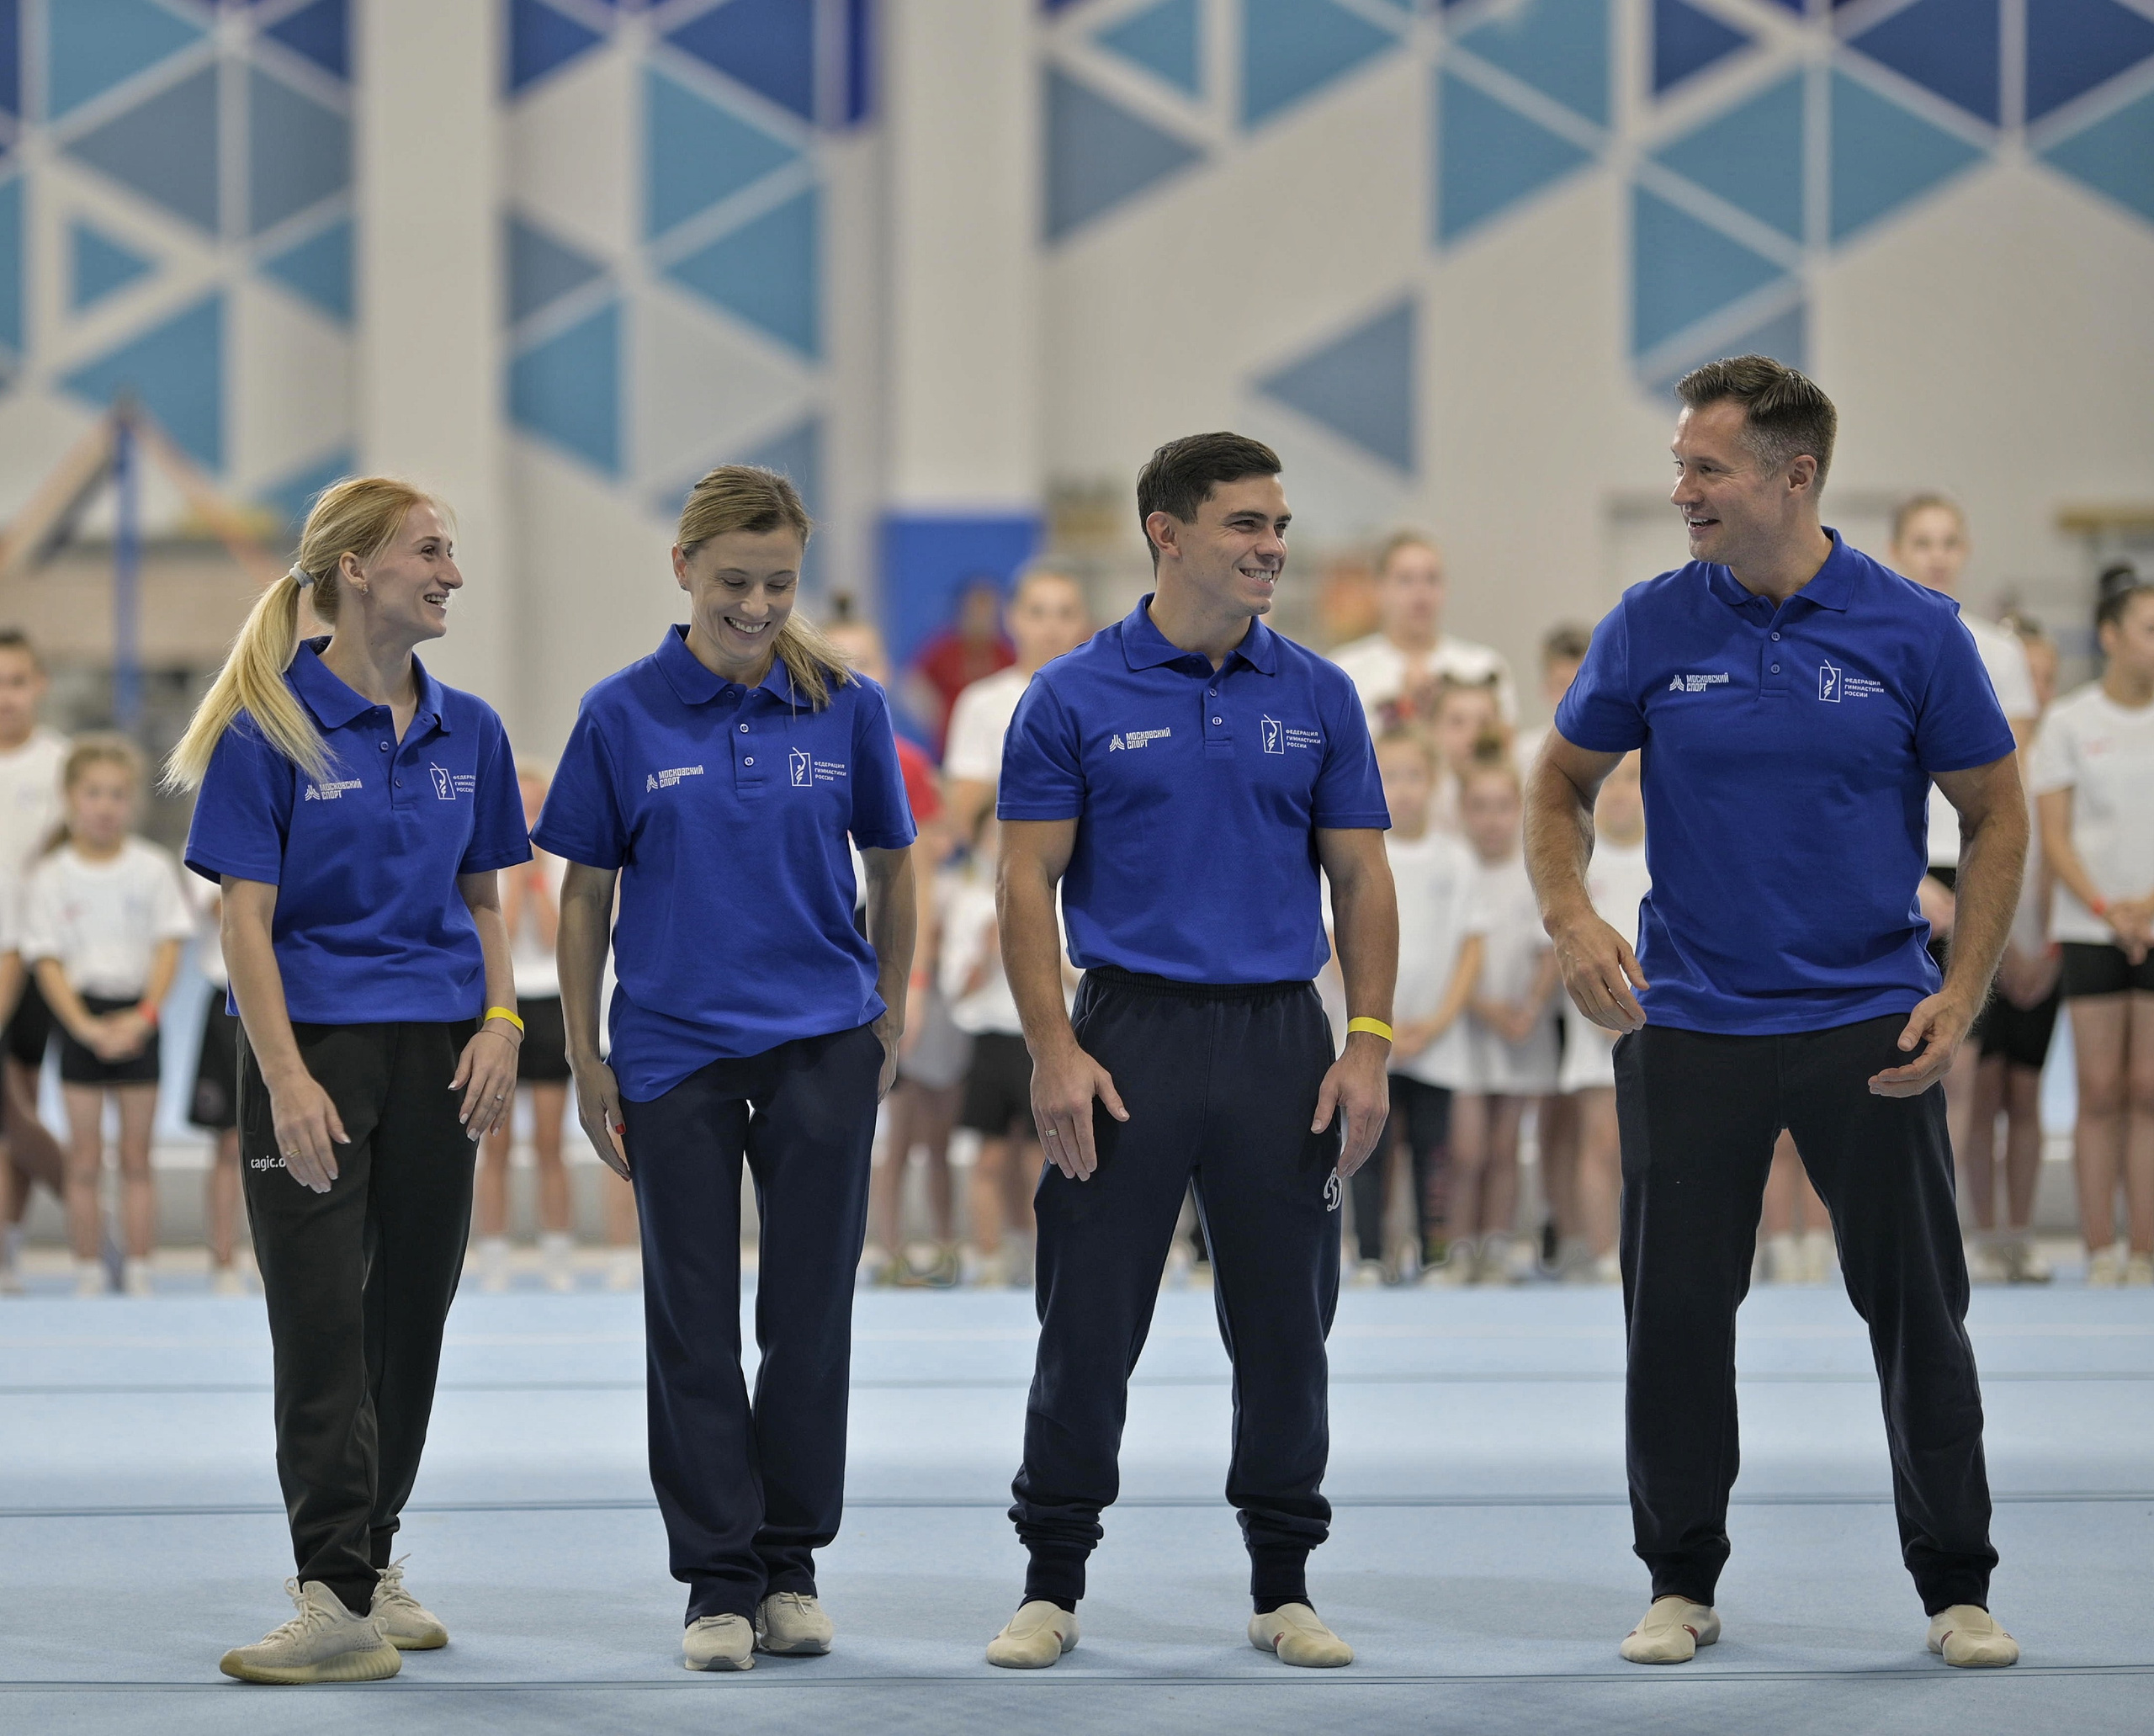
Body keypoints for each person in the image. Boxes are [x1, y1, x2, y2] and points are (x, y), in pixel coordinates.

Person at [1527, 356, 2026, 1669]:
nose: (1679, 489)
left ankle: (1957, 1585)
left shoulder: (1915, 629)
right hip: (1692, 1021)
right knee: (1675, 1318)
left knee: (1919, 1314)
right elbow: (1557, 781)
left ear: (1794, 477)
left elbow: (1996, 811)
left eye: (1706, 468)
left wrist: (1962, 988)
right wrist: (1572, 916)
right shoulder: (1649, 622)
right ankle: (1679, 1578)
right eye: (1679, 464)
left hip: (1873, 1022)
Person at [985, 432, 1393, 1672]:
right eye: (1246, 524)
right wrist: (1052, 1048)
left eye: (1279, 525)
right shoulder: (1071, 695)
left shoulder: (1319, 694)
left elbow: (1361, 877)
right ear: (1167, 533)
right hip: (1126, 1038)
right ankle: (1051, 1581)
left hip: (1282, 1042)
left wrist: (1367, 1041)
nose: (1273, 546)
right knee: (1086, 1322)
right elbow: (1023, 879)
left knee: (1287, 1330)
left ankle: (1284, 1583)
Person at [538, 465, 916, 1673]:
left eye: (779, 583)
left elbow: (893, 864)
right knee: (691, 1322)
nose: (757, 606)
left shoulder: (846, 705)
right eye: (734, 582)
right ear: (684, 569)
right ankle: (716, 1575)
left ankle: (789, 1562)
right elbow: (584, 894)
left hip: (822, 1042)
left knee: (808, 1317)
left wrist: (888, 1011)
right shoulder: (619, 713)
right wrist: (584, 1053)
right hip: (671, 1051)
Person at [172, 476, 530, 1685]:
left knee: (410, 1317)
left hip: (442, 1050)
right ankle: (331, 1589)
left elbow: (487, 902)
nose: (451, 573)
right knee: (322, 1318)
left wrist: (502, 1021)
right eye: (430, 550)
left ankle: (370, 1563)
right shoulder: (265, 726)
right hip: (311, 1049)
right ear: (355, 570)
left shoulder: (471, 730)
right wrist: (284, 1077)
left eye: (450, 551)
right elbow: (244, 924)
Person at [1892, 497, 2042, 1243]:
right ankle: (1886, 1226)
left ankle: (1942, 1229)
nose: (1937, 555)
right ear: (1896, 549)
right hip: (1898, 866)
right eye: (1922, 541)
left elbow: (2008, 792)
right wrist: (1905, 878)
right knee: (1885, 1054)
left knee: (1960, 1063)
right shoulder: (1875, 635)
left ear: (1966, 550)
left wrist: (2011, 901)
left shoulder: (1999, 652)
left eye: (1949, 541)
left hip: (1969, 860)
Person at [21, 735, 192, 1297]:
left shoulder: (151, 867)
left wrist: (145, 1016)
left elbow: (169, 947)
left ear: (132, 802)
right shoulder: (52, 875)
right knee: (85, 1160)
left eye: (117, 794)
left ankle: (139, 1267)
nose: (105, 806)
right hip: (80, 1017)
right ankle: (89, 1268)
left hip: (138, 1015)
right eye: (93, 793)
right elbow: (46, 960)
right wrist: (82, 1026)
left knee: (137, 1158)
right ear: (71, 797)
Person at [825, 610, 961, 1287]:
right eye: (839, 661)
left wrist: (917, 972)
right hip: (829, 954)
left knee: (918, 1117)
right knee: (852, 1118)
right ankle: (873, 1245)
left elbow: (922, 875)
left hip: (893, 951)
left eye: (867, 661)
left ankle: (936, 1241)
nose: (854, 674)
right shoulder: (800, 744)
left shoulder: (905, 760)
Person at [2029, 565, 2154, 1287]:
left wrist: (2147, 908)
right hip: (2089, 924)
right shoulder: (2071, 723)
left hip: (2150, 921)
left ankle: (2144, 1248)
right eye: (2149, 628)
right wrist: (2109, 910)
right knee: (2101, 1089)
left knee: (2149, 1089)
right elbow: (2056, 835)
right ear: (2110, 636)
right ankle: (2100, 1245)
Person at [1352, 726, 1481, 1285]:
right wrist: (1378, 1023)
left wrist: (1439, 1021)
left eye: (1414, 776)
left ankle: (1434, 1255)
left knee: (1434, 1152)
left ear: (1434, 782)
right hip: (1372, 1037)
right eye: (1390, 776)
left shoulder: (1457, 859)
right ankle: (1370, 1254)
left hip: (1436, 1039)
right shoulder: (1359, 852)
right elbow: (1338, 941)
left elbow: (1472, 947)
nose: (1403, 789)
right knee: (1369, 1148)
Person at [1962, 612, 2061, 1283]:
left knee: (2025, 1096)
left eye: (2046, 677)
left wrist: (2046, 946)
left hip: (2044, 946)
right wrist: (2002, 951)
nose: (2037, 688)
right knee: (1977, 1092)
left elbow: (2056, 859)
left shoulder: (2058, 751)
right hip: (1989, 942)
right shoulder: (1975, 758)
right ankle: (1980, 1232)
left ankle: (2020, 1233)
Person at [1446, 743, 1559, 1285]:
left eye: (1502, 807)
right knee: (1466, 1149)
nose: (1492, 820)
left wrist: (1529, 1008)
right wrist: (1482, 1007)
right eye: (1480, 807)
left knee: (1506, 1144)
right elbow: (1448, 957)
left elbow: (1550, 948)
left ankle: (1496, 1243)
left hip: (1520, 1029)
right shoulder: (1456, 869)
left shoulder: (1531, 871)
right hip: (1464, 1029)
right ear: (1462, 811)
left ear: (1520, 809)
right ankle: (1457, 1246)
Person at [941, 810, 1055, 1287]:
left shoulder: (1053, 895)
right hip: (989, 1039)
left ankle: (1043, 1257)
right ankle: (988, 1257)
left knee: (1039, 1157)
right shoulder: (969, 903)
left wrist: (1031, 947)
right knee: (987, 1156)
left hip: (1043, 1038)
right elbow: (955, 989)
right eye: (991, 834)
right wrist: (990, 953)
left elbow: (1077, 976)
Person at [473, 764, 574, 1293]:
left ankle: (558, 1251)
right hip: (507, 1001)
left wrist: (535, 878)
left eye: (537, 808)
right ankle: (494, 1253)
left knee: (551, 1142)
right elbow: (503, 936)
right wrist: (515, 878)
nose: (530, 820)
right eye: (523, 808)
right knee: (497, 1143)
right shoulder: (492, 864)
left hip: (551, 1003)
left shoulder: (560, 865)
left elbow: (558, 940)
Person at [1552, 751, 1647, 1283]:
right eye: (1610, 781)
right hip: (1595, 1021)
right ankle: (1604, 1252)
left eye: (1632, 779)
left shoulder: (1666, 857)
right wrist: (1601, 1013)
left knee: (1661, 1145)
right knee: (1602, 1141)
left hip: (1660, 1020)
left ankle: (1656, 1247)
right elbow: (1566, 943)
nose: (1621, 792)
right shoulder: (1581, 867)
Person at [0, 631, 72, 1296]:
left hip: (31, 955)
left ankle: (9, 1243)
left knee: (16, 1106)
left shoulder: (60, 766)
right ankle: (89, 1212)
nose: (5, 696)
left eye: (16, 681)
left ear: (39, 685)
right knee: (11, 1111)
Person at [942, 565, 1094, 839]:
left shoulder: (1103, 700)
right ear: (1012, 618)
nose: (1052, 628)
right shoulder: (981, 702)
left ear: (1084, 621)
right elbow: (965, 811)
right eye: (1037, 613)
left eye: (1065, 613)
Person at [1329, 531, 1516, 733]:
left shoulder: (1484, 667)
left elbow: (1504, 746)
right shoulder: (1344, 671)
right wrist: (1404, 708)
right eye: (1405, 580)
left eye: (1431, 579)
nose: (1421, 592)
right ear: (1379, 589)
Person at [183, 873, 250, 1294]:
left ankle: (274, 1258)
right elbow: (229, 911)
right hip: (229, 999)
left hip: (296, 995)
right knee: (228, 1140)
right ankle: (223, 1258)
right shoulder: (205, 846)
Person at [904, 575, 1014, 754]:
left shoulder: (1007, 654)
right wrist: (935, 717)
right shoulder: (942, 649)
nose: (981, 618)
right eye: (976, 610)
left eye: (987, 611)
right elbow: (913, 682)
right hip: (950, 745)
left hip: (996, 748)